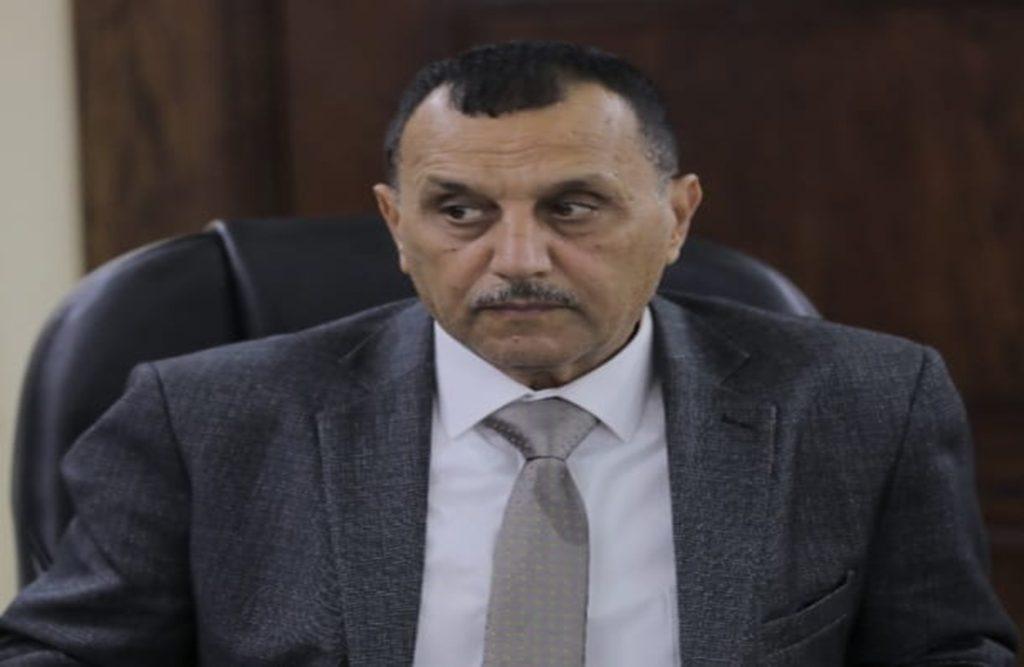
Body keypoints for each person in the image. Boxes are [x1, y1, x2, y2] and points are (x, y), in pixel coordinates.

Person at [0, 40, 1017, 666]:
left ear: (676, 216)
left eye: (573, 206)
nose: (518, 257)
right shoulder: (204, 421)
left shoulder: (863, 405)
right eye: (460, 211)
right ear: (397, 226)